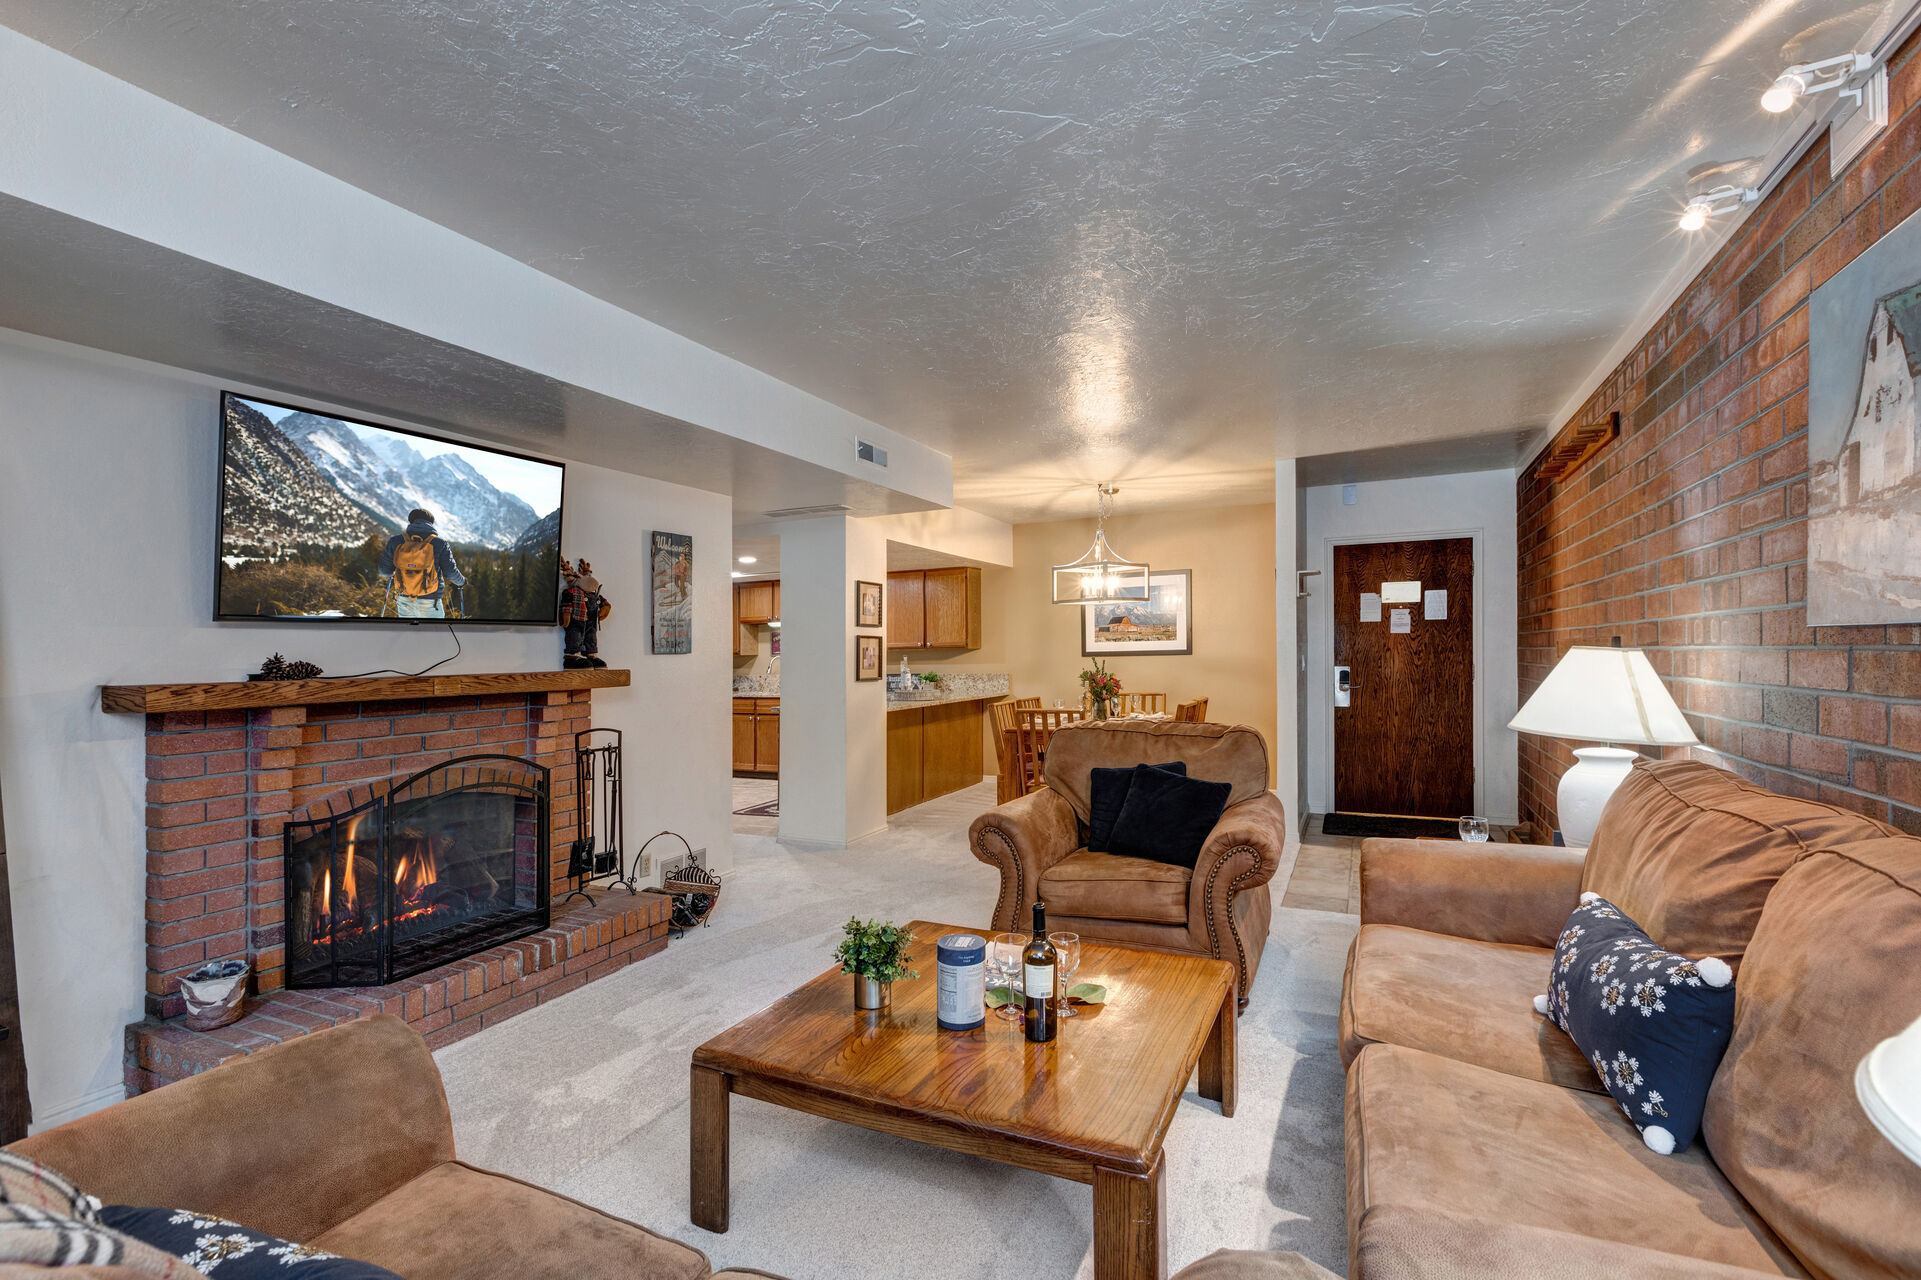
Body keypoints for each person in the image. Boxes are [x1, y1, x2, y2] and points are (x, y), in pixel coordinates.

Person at [378, 508, 465, 619]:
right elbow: (450, 572)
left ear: (411, 521)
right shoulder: (439, 543)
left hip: (404, 597)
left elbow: (384, 571)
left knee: (408, 634)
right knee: (434, 634)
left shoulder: (396, 541)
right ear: (430, 523)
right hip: (430, 600)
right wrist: (462, 582)